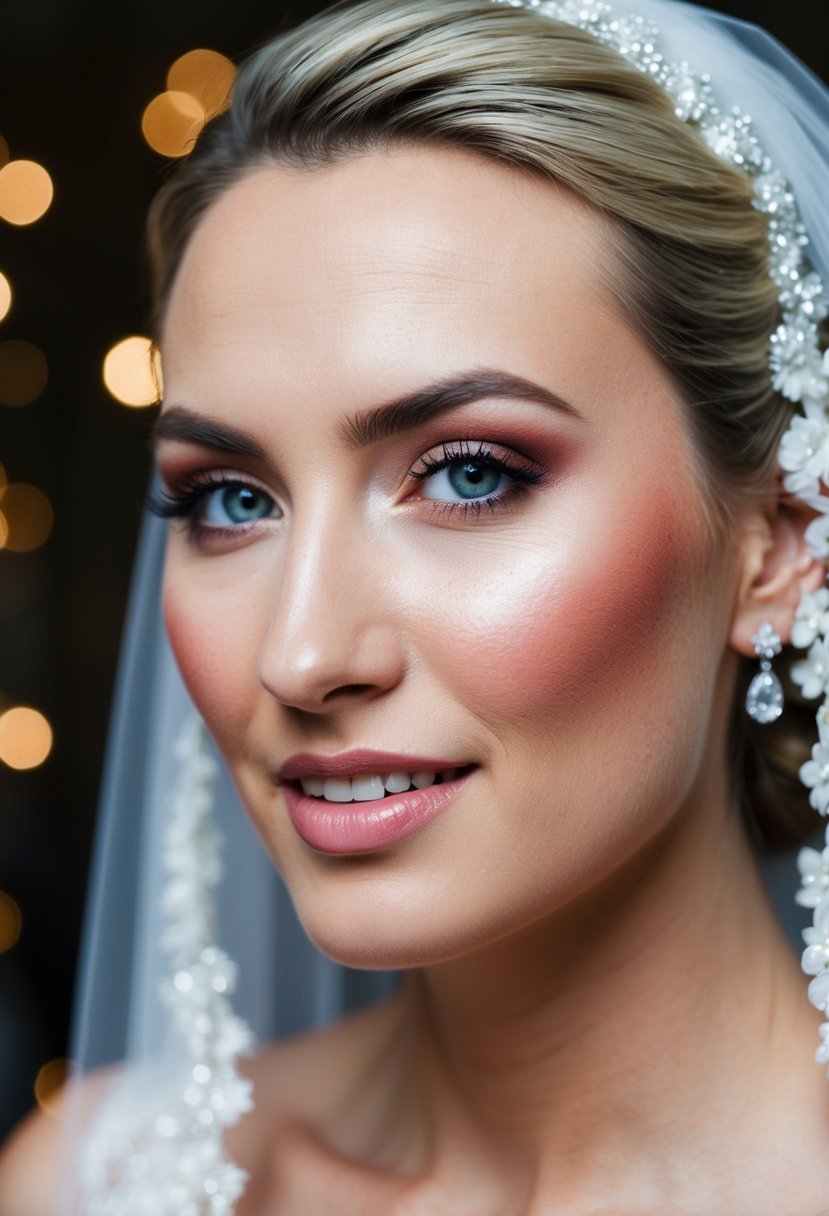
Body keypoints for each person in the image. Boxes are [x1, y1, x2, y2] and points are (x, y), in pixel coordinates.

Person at [3, 0, 829, 1211]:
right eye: (230, 499)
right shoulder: (94, 1182)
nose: (301, 652)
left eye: (469, 474)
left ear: (777, 548)